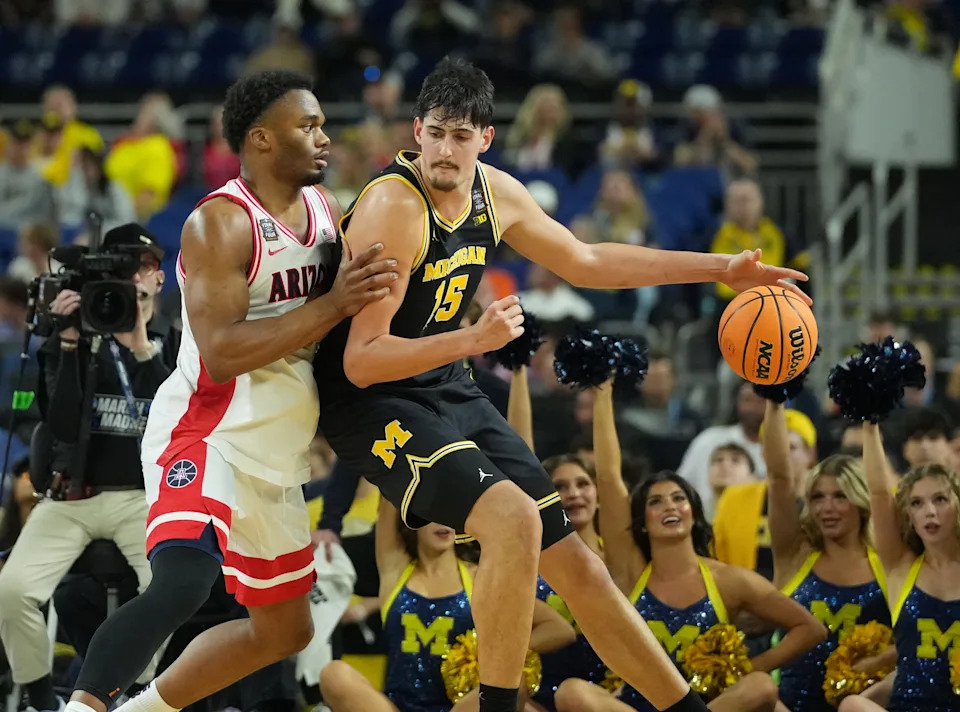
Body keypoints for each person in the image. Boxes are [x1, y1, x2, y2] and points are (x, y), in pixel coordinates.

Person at [313, 58, 810, 712]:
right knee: (513, 518)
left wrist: (721, 268)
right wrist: (471, 340)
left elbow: (589, 260)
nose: (445, 150)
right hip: (370, 399)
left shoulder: (495, 193)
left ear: (485, 138)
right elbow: (362, 360)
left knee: (581, 567)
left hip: (441, 380)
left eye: (460, 136)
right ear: (416, 131)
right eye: (434, 133)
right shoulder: (394, 207)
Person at [59, 70, 397, 712]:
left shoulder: (326, 211)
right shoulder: (219, 222)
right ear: (262, 138)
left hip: (277, 449)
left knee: (285, 631)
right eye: (309, 125)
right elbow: (222, 352)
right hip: (206, 430)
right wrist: (333, 304)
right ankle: (81, 707)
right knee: (184, 581)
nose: (325, 137)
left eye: (323, 124)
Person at [0, 226, 177, 712]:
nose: (133, 277)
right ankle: (42, 701)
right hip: (75, 496)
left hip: (145, 498)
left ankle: (132, 692)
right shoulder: (75, 336)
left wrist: (140, 346)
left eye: (142, 267)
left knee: (170, 588)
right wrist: (69, 344)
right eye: (123, 268)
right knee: (11, 590)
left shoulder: (176, 343)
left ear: (158, 278)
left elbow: (180, 421)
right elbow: (58, 425)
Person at [550, 406, 825, 712]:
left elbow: (810, 627)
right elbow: (608, 477)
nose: (670, 506)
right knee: (571, 692)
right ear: (643, 521)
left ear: (693, 513)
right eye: (656, 502)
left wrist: (747, 668)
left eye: (679, 498)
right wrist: (604, 394)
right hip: (638, 706)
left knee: (760, 685)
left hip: (710, 705)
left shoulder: (727, 580)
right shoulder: (631, 572)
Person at [320, 497, 576, 712]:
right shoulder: (395, 571)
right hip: (396, 707)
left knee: (513, 684)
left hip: (460, 708)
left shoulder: (479, 578)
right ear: (411, 521)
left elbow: (559, 628)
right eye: (432, 514)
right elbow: (388, 500)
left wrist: (486, 651)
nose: (443, 521)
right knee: (334, 674)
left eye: (450, 514)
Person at [762, 400, 892, 712]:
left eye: (840, 497)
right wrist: (775, 401)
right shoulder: (795, 553)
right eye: (818, 497)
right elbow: (779, 478)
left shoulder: (888, 562)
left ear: (860, 501)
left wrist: (876, 662)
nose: (826, 508)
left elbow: (909, 644)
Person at [838, 426, 960, 712]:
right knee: (852, 706)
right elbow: (879, 492)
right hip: (905, 707)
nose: (929, 511)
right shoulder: (900, 566)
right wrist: (870, 425)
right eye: (917, 503)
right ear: (908, 515)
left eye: (940, 499)